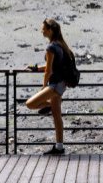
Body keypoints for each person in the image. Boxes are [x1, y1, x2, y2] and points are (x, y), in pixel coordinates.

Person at [25, 18, 75, 155]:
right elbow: (51, 66)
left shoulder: (51, 47)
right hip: (62, 85)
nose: (42, 31)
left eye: (44, 29)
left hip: (54, 85)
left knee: (30, 103)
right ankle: (59, 147)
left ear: (50, 30)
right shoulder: (61, 45)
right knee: (57, 115)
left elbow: (49, 71)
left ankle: (47, 105)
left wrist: (43, 87)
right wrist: (35, 68)